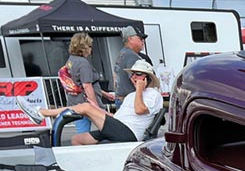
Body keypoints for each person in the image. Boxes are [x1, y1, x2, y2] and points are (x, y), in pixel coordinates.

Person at [18, 59, 162, 146]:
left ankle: (43, 113)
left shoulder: (153, 94)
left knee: (86, 107)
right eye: (132, 74)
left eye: (138, 74)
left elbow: (139, 110)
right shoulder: (131, 95)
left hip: (130, 133)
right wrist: (96, 110)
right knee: (77, 139)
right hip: (119, 127)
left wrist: (139, 89)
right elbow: (116, 118)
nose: (133, 77)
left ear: (147, 78)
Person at [62, 32, 116, 136]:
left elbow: (80, 84)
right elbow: (87, 85)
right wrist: (95, 106)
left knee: (82, 129)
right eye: (90, 46)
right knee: (107, 128)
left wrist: (104, 93)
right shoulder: (83, 63)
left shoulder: (71, 60)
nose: (91, 49)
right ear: (84, 47)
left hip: (75, 101)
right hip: (87, 102)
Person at [114, 25, 153, 102]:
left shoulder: (122, 53)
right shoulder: (132, 56)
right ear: (130, 39)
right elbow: (138, 80)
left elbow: (115, 77)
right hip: (131, 100)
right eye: (140, 38)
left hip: (121, 98)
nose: (143, 41)